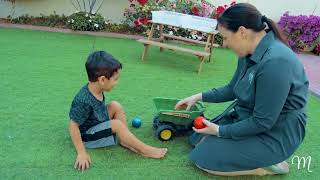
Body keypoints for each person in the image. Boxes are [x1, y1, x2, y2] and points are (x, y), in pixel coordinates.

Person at [175, 3, 309, 176]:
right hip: (252, 118)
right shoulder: (248, 52)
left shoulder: (276, 62)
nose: (224, 44)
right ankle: (253, 154)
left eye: (225, 37)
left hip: (277, 133)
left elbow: (263, 122)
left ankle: (268, 166)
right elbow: (233, 89)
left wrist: (219, 131)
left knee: (203, 157)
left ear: (242, 32)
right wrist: (198, 97)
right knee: (198, 139)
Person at [69, 51, 167, 171]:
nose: (117, 82)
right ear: (102, 80)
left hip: (96, 120)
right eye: (115, 79)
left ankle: (125, 140)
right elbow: (73, 126)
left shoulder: (96, 88)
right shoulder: (83, 100)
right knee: (117, 125)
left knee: (115, 105)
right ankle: (145, 150)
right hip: (87, 136)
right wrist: (81, 152)